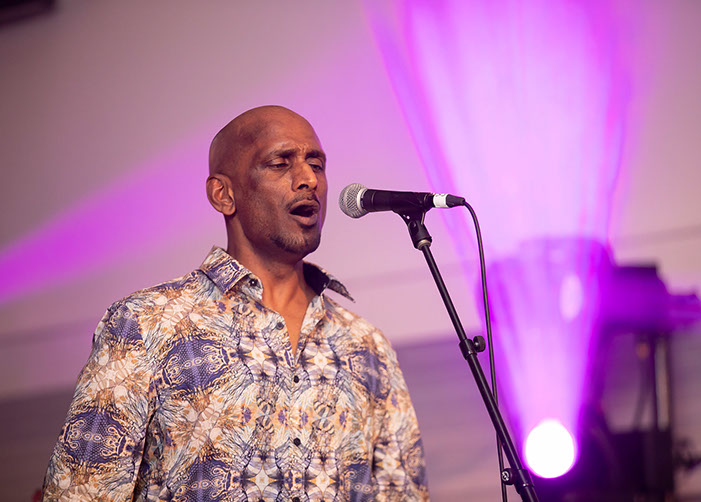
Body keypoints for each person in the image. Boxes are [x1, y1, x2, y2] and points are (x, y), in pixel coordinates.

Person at [43, 106, 429, 501]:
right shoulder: (147, 324)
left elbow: (403, 494)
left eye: (316, 164)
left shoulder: (366, 345)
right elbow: (81, 490)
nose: (309, 179)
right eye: (280, 163)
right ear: (224, 195)